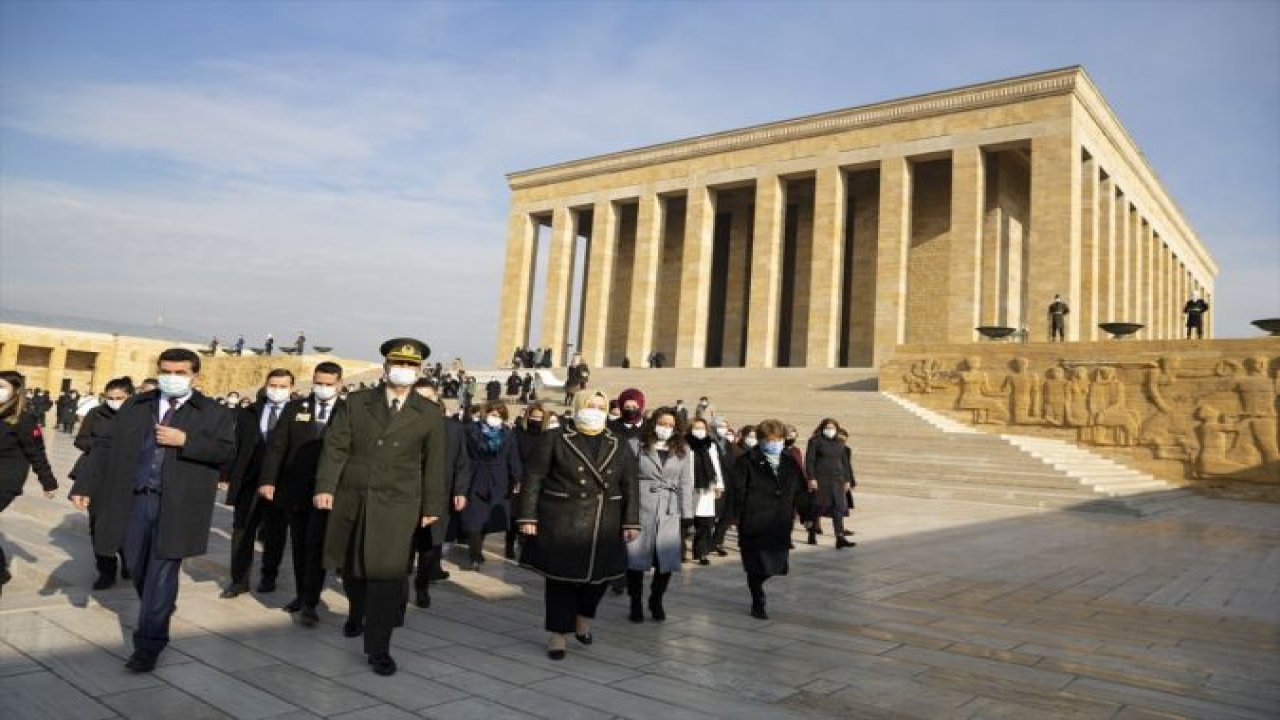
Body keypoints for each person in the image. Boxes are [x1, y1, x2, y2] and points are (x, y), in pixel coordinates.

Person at [76, 349, 235, 670]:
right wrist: (84, 483)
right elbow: (106, 445)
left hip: (177, 503)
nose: (171, 378)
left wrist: (186, 440)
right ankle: (159, 605)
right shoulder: (138, 406)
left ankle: (148, 644)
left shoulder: (212, 411)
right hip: (134, 500)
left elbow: (227, 452)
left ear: (195, 376)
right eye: (166, 371)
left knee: (162, 570)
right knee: (135, 566)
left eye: (179, 373)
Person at [314, 338, 446, 677]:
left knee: (387, 576)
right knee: (352, 566)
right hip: (353, 495)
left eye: (411, 366)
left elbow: (435, 463)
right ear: (385, 366)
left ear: (420, 371)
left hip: (399, 502)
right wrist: (326, 486)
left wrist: (432, 504)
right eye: (398, 364)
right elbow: (336, 447)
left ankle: (379, 646)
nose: (403, 371)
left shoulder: (429, 412)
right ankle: (357, 611)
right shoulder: (357, 403)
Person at [518, 387, 640, 660]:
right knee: (561, 580)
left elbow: (630, 483)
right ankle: (558, 635)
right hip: (563, 519)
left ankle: (583, 617)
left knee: (600, 579)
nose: (594, 412)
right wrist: (528, 516)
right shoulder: (556, 437)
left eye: (600, 407)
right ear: (577, 407)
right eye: (589, 405)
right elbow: (534, 477)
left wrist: (631, 520)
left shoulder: (617, 441)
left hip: (604, 521)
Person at [256, 362, 344, 626]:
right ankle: (301, 594)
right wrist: (269, 479)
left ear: (339, 384)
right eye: (319, 382)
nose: (323, 387)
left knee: (316, 546)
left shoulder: (347, 411)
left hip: (331, 491)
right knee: (300, 544)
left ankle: (311, 600)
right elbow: (277, 447)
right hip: (297, 490)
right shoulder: (296, 409)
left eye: (329, 383)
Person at [726, 418, 810, 619]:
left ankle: (758, 587)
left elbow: (800, 491)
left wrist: (806, 515)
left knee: (776, 564)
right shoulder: (746, 461)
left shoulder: (790, 462)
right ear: (761, 440)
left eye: (778, 439)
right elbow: (737, 490)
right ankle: (758, 600)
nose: (774, 443)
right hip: (754, 521)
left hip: (779, 522)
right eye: (769, 439)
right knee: (755, 564)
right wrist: (734, 517)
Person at [221, 369, 293, 598]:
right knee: (242, 530)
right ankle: (239, 580)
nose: (277, 390)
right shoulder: (249, 412)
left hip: (280, 483)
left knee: (274, 532)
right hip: (249, 481)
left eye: (283, 386)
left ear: (291, 388)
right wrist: (226, 475)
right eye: (273, 385)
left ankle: (269, 575)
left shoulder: (296, 413)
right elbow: (235, 446)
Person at [625, 406, 693, 622]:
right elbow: (627, 479)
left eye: (671, 425)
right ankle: (635, 602)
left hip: (669, 510)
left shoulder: (683, 449)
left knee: (666, 560)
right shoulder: (637, 444)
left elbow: (685, 482)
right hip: (641, 507)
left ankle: (656, 599)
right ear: (654, 423)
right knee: (635, 559)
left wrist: (687, 514)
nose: (666, 428)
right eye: (662, 423)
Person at [69, 376, 135, 589]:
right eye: (111, 397)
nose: (115, 401)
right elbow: (81, 439)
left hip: (127, 477)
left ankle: (129, 563)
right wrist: (101, 445)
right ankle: (105, 570)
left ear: (130, 397)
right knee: (98, 524)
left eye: (120, 398)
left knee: (127, 525)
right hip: (98, 474)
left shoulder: (139, 416)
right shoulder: (96, 413)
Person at [408, 380, 469, 607]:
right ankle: (397, 587)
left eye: (428, 398)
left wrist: (460, 490)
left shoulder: (453, 429)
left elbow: (462, 462)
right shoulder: (402, 424)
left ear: (437, 400)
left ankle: (422, 585)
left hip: (437, 496)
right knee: (403, 545)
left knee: (430, 546)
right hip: (405, 494)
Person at [0, 371, 59, 597]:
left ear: (15, 390)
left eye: (2, 386)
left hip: (6, 478)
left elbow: (36, 452)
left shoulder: (24, 419)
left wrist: (48, 482)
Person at [460, 402, 521, 570]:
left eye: (499, 415)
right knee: (474, 520)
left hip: (498, 479)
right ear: (485, 413)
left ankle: (478, 547)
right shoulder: (471, 430)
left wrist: (517, 478)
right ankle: (475, 554)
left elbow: (513, 458)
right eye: (493, 414)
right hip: (475, 476)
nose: (496, 418)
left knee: (487, 520)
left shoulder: (508, 435)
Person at [805, 419, 855, 549]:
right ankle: (812, 533)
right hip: (820, 479)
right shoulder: (815, 441)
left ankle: (840, 537)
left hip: (837, 480)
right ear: (822, 428)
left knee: (838, 507)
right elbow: (809, 460)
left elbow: (845, 463)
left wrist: (847, 480)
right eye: (827, 427)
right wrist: (811, 478)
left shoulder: (840, 442)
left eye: (833, 427)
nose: (830, 430)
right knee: (817, 507)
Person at [508, 403, 547, 560]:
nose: (536, 420)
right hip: (521, 476)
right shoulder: (517, 433)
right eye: (533, 416)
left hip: (540, 480)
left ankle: (527, 548)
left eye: (539, 417)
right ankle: (510, 544)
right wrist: (516, 478)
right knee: (515, 513)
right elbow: (513, 456)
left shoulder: (547, 435)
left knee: (534, 514)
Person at [686, 417, 725, 565]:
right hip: (688, 486)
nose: (699, 431)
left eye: (702, 428)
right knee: (685, 522)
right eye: (696, 428)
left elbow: (715, 465)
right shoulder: (684, 443)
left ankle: (701, 553)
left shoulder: (711, 444)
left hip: (707, 488)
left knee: (705, 522)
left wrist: (719, 485)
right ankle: (680, 551)